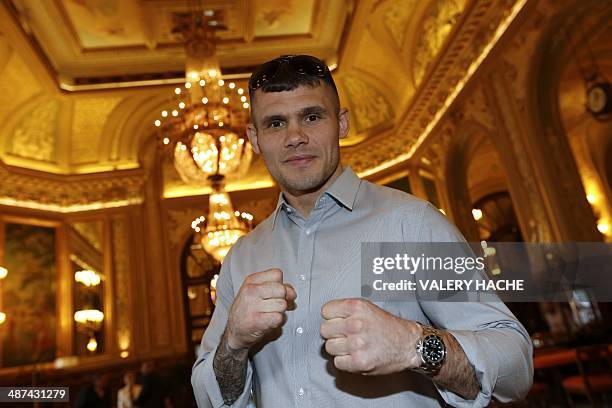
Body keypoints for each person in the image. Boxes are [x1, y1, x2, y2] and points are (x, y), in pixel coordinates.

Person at [191, 54, 533, 407]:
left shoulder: (411, 224)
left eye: (312, 116)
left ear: (341, 123)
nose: (295, 137)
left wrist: (413, 345)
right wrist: (233, 342)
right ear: (255, 138)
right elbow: (209, 397)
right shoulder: (241, 257)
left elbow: (515, 364)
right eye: (276, 123)